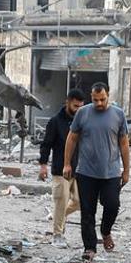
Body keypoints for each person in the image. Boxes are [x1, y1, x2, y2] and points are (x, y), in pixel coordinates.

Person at [63, 81, 131, 259]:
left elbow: (124, 143)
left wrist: (126, 170)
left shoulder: (118, 114)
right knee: (87, 211)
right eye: (95, 100)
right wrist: (67, 163)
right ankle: (90, 248)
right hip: (86, 172)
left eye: (102, 99)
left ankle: (105, 230)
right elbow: (72, 138)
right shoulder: (82, 113)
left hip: (111, 172)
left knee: (112, 205)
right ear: (91, 97)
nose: (99, 103)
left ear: (108, 95)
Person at [39, 90, 84, 245]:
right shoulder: (55, 122)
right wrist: (43, 165)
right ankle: (57, 234)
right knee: (61, 200)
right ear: (68, 102)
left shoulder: (81, 122)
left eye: (80, 106)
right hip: (60, 170)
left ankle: (58, 215)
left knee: (79, 201)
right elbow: (46, 145)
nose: (78, 109)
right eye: (75, 105)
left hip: (78, 170)